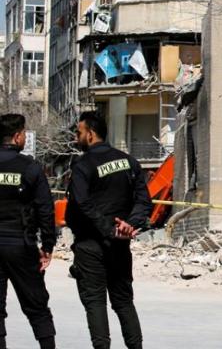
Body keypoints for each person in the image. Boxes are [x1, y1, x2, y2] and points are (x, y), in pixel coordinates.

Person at [66, 111, 152, 349]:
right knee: (124, 302)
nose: (76, 137)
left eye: (79, 132)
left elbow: (82, 204)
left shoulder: (83, 165)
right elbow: (144, 200)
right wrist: (129, 225)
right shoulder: (129, 161)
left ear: (91, 134)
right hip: (120, 244)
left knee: (95, 303)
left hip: (90, 245)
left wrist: (109, 229)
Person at [0, 114, 56, 349]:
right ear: (17, 137)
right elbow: (45, 209)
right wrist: (47, 246)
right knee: (37, 305)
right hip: (20, 244)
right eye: (23, 133)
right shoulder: (30, 168)